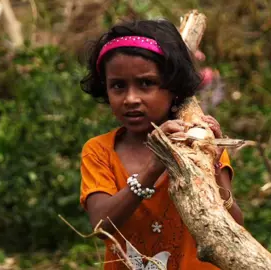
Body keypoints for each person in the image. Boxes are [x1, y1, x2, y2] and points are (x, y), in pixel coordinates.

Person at [79, 19, 243, 270]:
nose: (131, 99)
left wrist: (214, 163)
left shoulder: (198, 145)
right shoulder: (100, 151)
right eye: (118, 86)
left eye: (146, 83)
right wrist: (155, 165)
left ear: (173, 88)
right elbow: (101, 225)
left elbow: (235, 228)